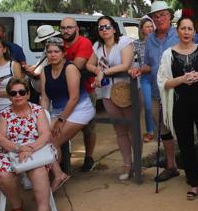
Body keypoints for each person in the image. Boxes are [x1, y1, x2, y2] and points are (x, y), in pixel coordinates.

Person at [157, 17, 198, 200]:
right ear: (177, 31)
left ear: (194, 32)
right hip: (180, 104)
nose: (187, 32)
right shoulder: (167, 54)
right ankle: (193, 182)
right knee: (185, 144)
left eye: (190, 28)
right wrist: (181, 80)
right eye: (183, 28)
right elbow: (163, 82)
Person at [0, 78, 56, 211]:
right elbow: (0, 137)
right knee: (1, 173)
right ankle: (16, 204)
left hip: (37, 149)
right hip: (12, 150)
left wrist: (30, 148)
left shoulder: (37, 111)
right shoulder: (4, 114)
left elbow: (45, 134)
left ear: (28, 94)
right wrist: (19, 148)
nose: (18, 96)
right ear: (9, 97)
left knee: (39, 171)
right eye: (13, 93)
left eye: (21, 92)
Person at [129, 0, 180, 182]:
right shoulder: (149, 40)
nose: (159, 19)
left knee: (183, 129)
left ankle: (191, 168)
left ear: (169, 16)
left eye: (163, 15)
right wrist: (139, 69)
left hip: (178, 92)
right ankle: (171, 165)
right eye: (155, 16)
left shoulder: (179, 34)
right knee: (163, 130)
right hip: (158, 93)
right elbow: (150, 65)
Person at [86, 16, 137, 180]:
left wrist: (103, 72)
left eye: (107, 26)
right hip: (108, 93)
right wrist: (96, 70)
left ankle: (137, 164)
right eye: (100, 28)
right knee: (120, 130)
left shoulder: (124, 42)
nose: (104, 30)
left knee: (133, 128)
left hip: (127, 91)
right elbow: (88, 64)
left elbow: (125, 65)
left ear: (114, 28)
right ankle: (127, 164)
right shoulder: (97, 46)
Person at [40, 37, 93, 190]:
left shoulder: (70, 68)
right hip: (57, 111)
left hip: (79, 109)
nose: (52, 55)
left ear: (63, 53)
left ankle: (56, 175)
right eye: (49, 52)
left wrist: (61, 119)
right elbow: (44, 97)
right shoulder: (45, 71)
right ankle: (53, 174)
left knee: (52, 140)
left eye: (56, 51)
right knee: (41, 136)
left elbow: (74, 97)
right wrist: (43, 118)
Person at [60, 17, 97, 172]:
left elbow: (75, 67)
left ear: (76, 28)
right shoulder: (58, 43)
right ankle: (63, 161)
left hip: (85, 91)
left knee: (88, 128)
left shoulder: (84, 43)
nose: (66, 30)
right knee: (61, 127)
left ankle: (89, 157)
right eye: (63, 27)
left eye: (69, 27)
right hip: (62, 92)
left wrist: (57, 69)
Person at [133, 17, 156, 143]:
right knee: (148, 106)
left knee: (162, 105)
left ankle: (166, 129)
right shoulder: (136, 44)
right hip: (145, 78)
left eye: (151, 26)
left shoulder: (158, 41)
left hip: (158, 76)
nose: (150, 29)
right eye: (147, 26)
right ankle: (150, 131)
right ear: (141, 29)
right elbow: (130, 60)